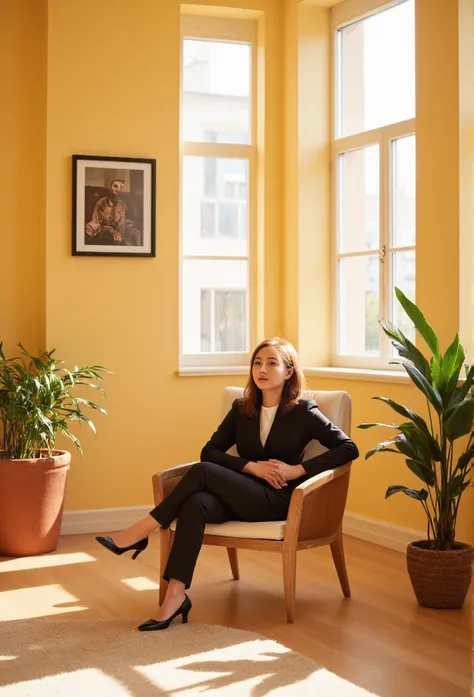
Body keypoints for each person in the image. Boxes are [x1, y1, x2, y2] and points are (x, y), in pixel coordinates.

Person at [96, 337, 359, 631]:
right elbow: (209, 450)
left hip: (277, 500)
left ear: (288, 371)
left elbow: (348, 448)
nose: (262, 369)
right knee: (195, 504)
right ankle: (176, 594)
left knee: (202, 472)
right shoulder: (241, 409)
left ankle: (142, 529)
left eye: (272, 363)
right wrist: (251, 468)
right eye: (257, 363)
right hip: (242, 493)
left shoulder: (304, 411)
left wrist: (298, 469)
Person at [85, 179, 141, 246]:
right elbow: (96, 222)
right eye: (115, 186)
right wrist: (112, 231)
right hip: (103, 230)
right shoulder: (101, 203)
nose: (118, 190)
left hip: (118, 232)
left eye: (121, 187)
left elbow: (121, 225)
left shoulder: (122, 205)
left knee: (136, 233)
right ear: (110, 188)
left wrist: (119, 235)